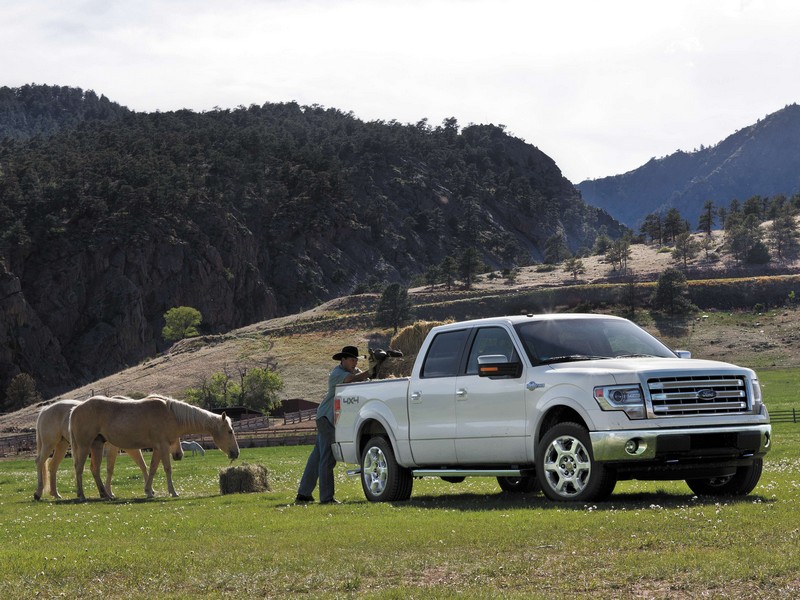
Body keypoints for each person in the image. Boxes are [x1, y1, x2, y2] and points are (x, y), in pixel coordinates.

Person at [296, 345, 372, 504]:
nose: (354, 363)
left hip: (328, 419)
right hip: (327, 419)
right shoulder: (337, 374)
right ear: (343, 360)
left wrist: (371, 372)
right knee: (327, 459)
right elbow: (352, 380)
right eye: (351, 360)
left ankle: (303, 494)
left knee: (316, 458)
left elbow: (364, 378)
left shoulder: (353, 371)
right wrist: (373, 369)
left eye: (355, 360)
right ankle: (326, 498)